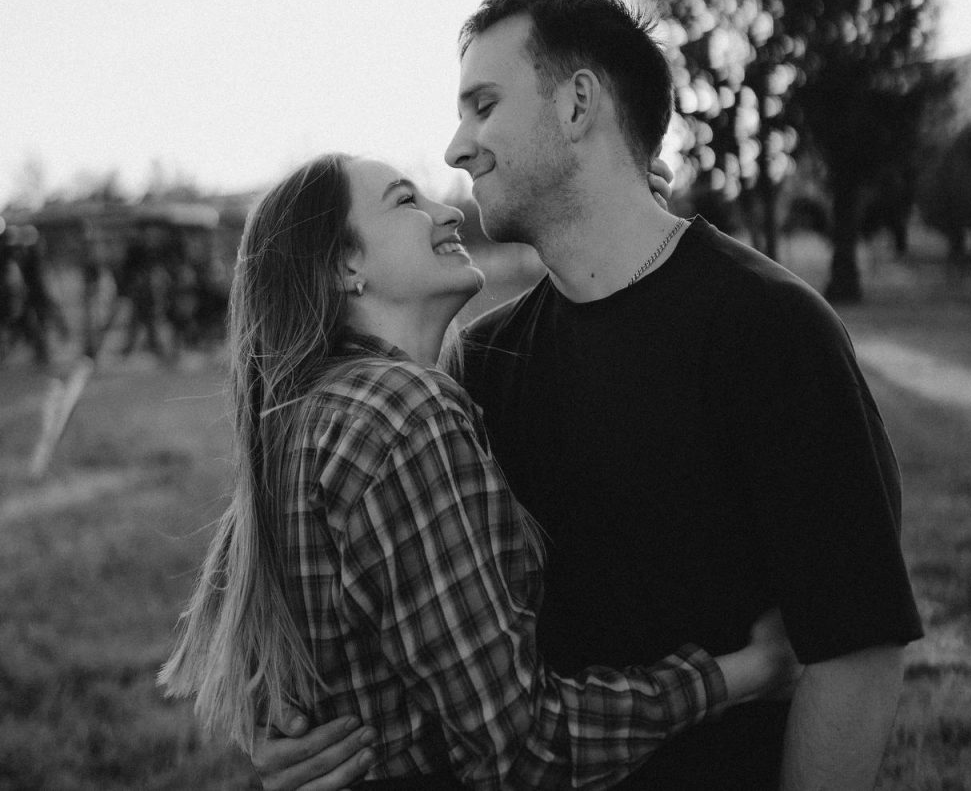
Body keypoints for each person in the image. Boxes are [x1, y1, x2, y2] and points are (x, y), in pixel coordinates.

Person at [254, 0, 923, 790]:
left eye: (484, 105)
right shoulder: (483, 362)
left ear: (577, 104)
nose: (457, 150)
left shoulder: (770, 328)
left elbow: (855, 650)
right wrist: (298, 729)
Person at [159, 152, 802, 790]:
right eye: (406, 201)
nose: (448, 212)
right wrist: (741, 673)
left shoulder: (305, 418)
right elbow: (521, 748)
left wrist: (615, 218)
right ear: (344, 266)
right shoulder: (403, 413)